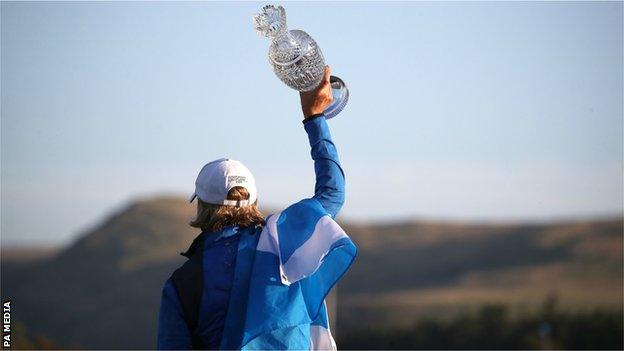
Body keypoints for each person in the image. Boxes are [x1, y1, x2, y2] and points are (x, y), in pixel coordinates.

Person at [157, 66, 356, 350]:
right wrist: (314, 116)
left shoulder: (182, 283)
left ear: (201, 206)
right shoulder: (286, 243)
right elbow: (332, 191)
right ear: (254, 202)